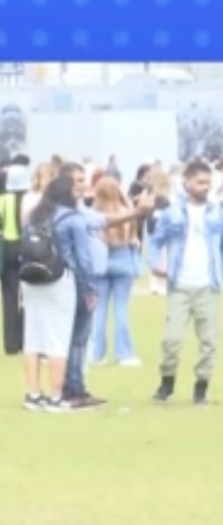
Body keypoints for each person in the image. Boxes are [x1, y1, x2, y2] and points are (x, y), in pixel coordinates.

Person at [57, 162, 153, 409]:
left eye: (84, 179)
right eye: (78, 180)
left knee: (83, 333)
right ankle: (70, 388)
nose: (83, 184)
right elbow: (99, 228)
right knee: (77, 336)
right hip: (76, 278)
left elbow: (102, 220)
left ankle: (78, 381)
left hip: (88, 275)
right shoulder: (70, 213)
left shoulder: (81, 210)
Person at [148, 160, 223, 405]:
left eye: (207, 183)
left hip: (208, 284)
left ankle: (201, 387)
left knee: (209, 341)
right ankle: (166, 381)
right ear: (186, 183)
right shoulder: (172, 213)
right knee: (172, 338)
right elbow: (155, 240)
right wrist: (154, 264)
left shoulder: (218, 212)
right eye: (200, 182)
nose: (204, 187)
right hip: (179, 283)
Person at [20, 175, 94, 411]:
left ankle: (33, 394)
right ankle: (56, 396)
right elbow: (83, 259)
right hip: (60, 279)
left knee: (32, 337)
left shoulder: (35, 215)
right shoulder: (73, 219)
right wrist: (89, 289)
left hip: (31, 279)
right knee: (58, 339)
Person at [91, 177, 141, 366]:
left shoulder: (94, 215)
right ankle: (124, 353)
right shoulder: (126, 213)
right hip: (122, 260)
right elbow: (133, 239)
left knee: (99, 310)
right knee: (121, 309)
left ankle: (97, 354)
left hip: (100, 262)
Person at [0, 161, 30, 355]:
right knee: (28, 297)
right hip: (28, 249)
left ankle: (11, 344)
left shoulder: (4, 199)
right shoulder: (31, 199)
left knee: (9, 298)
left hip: (7, 249)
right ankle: (25, 339)